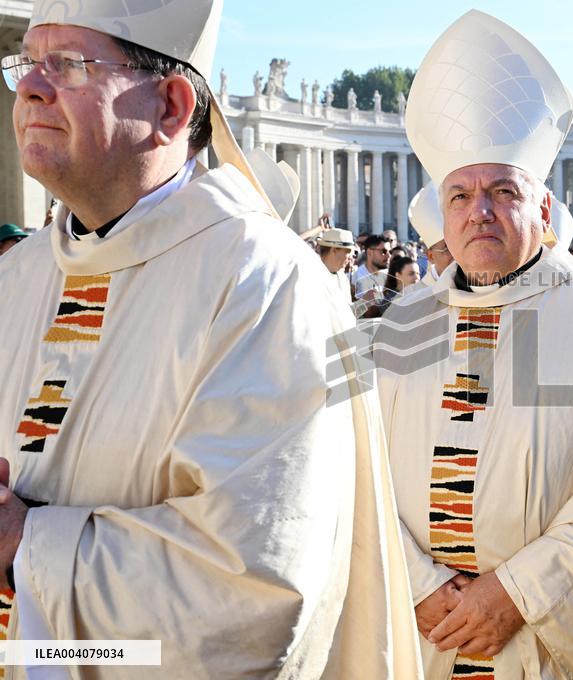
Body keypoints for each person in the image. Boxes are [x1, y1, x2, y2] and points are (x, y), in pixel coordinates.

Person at [0, 2, 419, 677]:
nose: (29, 87)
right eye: (26, 62)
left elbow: (249, 597)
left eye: (69, 65)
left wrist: (28, 548)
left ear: (170, 105)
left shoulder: (267, 284)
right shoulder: (14, 277)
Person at [381, 10, 573, 679]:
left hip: (543, 641)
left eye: (501, 191)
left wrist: (516, 593)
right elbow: (352, 465)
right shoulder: (399, 322)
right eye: (458, 195)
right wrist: (418, 583)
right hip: (421, 629)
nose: (478, 211)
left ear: (543, 212)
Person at [409, 182, 454, 284]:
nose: (457, 254)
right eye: (448, 248)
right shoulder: (417, 298)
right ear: (431, 256)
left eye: (461, 244)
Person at [317, 227, 357, 306]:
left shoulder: (343, 278)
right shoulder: (311, 276)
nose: (351, 257)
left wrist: (366, 303)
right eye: (348, 251)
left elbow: (347, 313)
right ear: (334, 250)